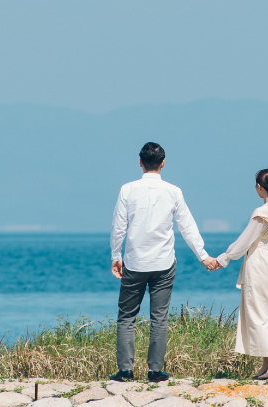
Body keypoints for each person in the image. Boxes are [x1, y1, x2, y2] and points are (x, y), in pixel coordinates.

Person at [109, 141, 212, 382]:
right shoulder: (174, 191)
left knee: (126, 317)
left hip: (134, 262)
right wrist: (203, 256)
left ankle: (125, 371)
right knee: (159, 318)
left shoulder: (127, 189)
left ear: (140, 162)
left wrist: (116, 256)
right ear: (163, 163)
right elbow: (187, 226)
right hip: (164, 263)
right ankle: (155, 371)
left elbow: (118, 227)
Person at [202, 168, 268, 380]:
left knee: (256, 312)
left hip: (258, 263)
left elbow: (244, 241)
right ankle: (267, 363)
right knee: (265, 311)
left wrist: (224, 258)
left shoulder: (261, 212)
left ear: (260, 187)